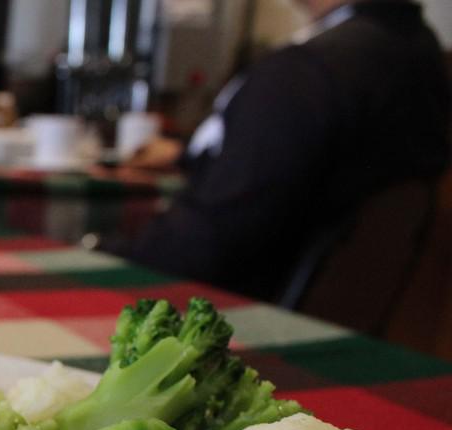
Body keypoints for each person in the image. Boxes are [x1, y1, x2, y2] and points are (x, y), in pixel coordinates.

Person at [105, 0, 450, 301]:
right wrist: (187, 154)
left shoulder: (306, 71)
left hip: (245, 304)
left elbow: (216, 237)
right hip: (347, 307)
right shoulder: (418, 47)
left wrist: (109, 256)